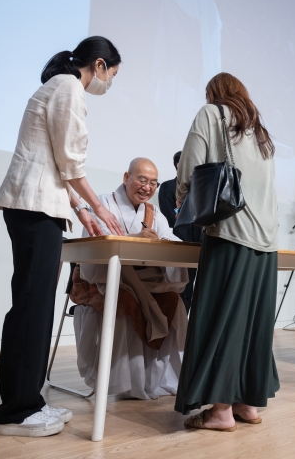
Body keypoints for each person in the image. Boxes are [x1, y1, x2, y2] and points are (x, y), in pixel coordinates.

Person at [0, 37, 124, 437]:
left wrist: (81, 210)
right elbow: (69, 160)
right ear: (98, 65)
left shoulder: (59, 86)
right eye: (112, 75)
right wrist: (99, 208)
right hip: (35, 208)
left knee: (35, 306)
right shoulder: (68, 87)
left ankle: (29, 401)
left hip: (39, 206)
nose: (109, 83)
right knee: (32, 307)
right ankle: (17, 412)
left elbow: (55, 162)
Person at [174, 73, 279, 431]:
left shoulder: (211, 114)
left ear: (215, 94)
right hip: (266, 243)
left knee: (221, 321)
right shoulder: (260, 132)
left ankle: (220, 412)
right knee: (251, 325)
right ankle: (246, 405)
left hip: (230, 234)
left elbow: (189, 169)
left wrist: (182, 200)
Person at [71, 158, 188, 399]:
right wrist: (136, 237)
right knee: (124, 301)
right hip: (103, 280)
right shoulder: (103, 204)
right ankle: (124, 382)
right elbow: (97, 241)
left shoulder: (152, 212)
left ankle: (160, 378)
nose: (147, 188)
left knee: (174, 302)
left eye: (153, 183)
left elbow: (169, 237)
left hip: (144, 281)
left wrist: (164, 242)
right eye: (142, 180)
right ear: (126, 177)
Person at [158, 151, 198, 313]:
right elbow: (171, 217)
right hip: (179, 246)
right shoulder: (167, 187)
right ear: (179, 165)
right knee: (180, 289)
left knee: (194, 290)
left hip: (200, 245)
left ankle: (187, 325)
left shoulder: (199, 190)